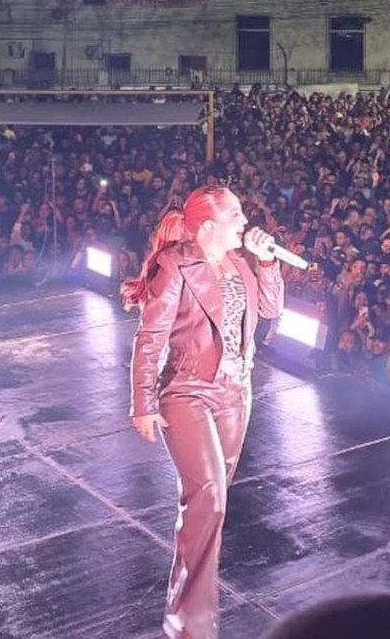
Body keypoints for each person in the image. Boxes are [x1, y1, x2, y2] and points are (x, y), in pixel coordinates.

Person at [122, 185, 284, 639]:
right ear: (208, 225)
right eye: (235, 213)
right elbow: (150, 337)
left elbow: (272, 308)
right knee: (209, 497)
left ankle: (188, 610)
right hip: (187, 391)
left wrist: (267, 262)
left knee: (207, 507)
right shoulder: (176, 266)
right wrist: (143, 402)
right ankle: (190, 625)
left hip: (235, 392)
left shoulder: (239, 265)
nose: (244, 220)